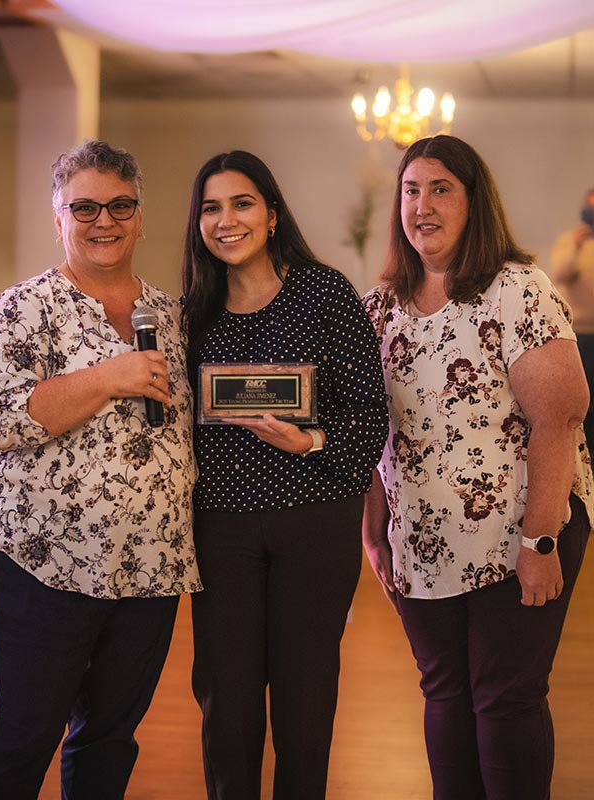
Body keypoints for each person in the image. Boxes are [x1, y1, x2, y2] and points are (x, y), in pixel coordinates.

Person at [0, 140, 201, 800]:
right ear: (58, 217)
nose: (104, 221)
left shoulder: (172, 315)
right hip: (48, 565)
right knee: (21, 740)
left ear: (140, 215)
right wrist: (107, 377)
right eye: (85, 207)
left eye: (120, 205)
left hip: (151, 565)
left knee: (109, 740)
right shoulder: (23, 308)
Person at [362, 135, 593, 800]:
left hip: (520, 529)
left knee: (505, 697)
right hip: (422, 537)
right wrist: (374, 530)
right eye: (411, 190)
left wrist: (539, 541)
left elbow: (559, 419)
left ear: (473, 203)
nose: (422, 205)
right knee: (443, 691)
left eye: (441, 189)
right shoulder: (379, 307)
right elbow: (371, 429)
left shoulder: (516, 289)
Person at [181, 150, 387, 799]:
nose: (226, 220)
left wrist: (310, 439)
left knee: (304, 699)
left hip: (314, 524)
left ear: (272, 215)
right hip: (220, 529)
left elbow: (371, 414)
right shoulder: (191, 313)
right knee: (226, 699)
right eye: (211, 208)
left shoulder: (324, 293)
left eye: (241, 203)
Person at [550, 188, 594, 453]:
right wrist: (576, 247)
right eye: (590, 209)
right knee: (582, 400)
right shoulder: (569, 240)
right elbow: (560, 273)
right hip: (578, 332)